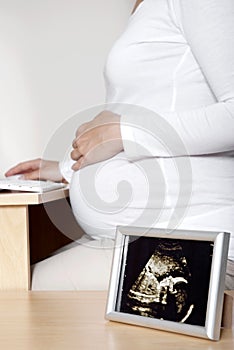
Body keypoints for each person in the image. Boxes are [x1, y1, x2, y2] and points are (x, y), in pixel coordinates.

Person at [6, 0, 234, 290]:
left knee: (10, 288)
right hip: (151, 240)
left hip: (192, 247)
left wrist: (126, 133)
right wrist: (69, 167)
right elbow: (155, 102)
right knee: (14, 266)